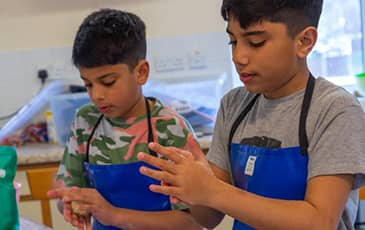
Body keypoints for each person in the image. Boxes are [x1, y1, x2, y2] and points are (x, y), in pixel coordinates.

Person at [137, 0, 365, 229]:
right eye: (233, 41)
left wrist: (214, 191)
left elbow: (318, 222)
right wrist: (187, 187)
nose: (239, 57)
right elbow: (208, 218)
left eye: (256, 42)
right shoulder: (233, 105)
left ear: (304, 42)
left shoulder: (334, 110)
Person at [47, 8, 202, 230]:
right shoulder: (85, 123)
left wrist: (115, 216)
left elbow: (192, 222)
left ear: (141, 72)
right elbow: (69, 186)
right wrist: (69, 202)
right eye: (88, 84)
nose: (97, 95)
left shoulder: (169, 128)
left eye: (108, 82)